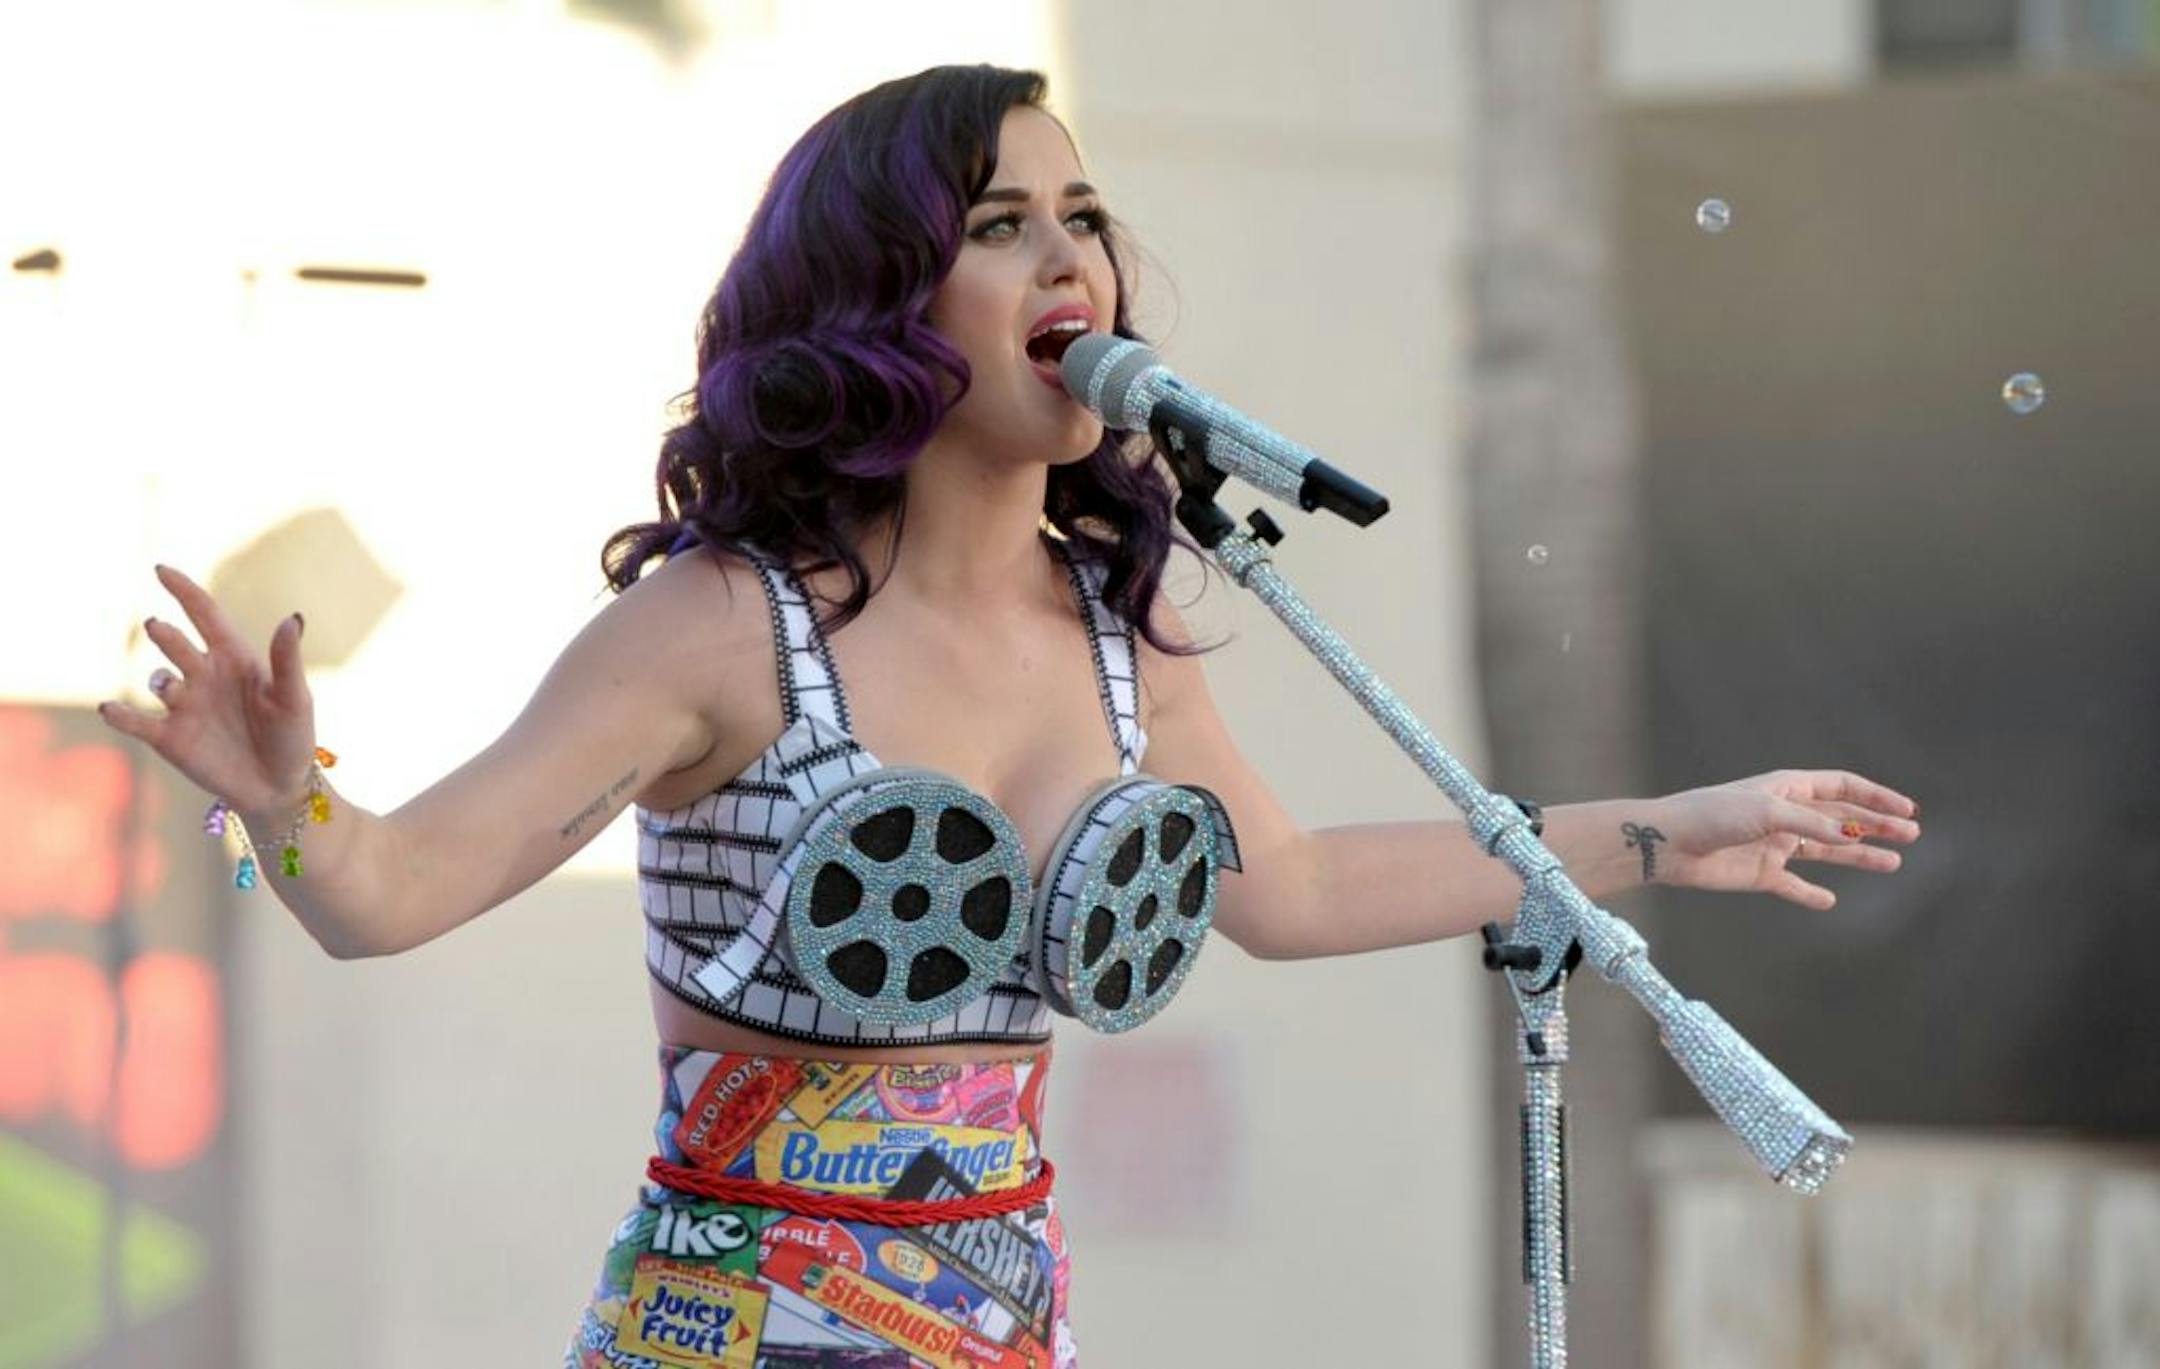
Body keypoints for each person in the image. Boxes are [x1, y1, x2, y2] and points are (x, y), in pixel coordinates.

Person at [97, 63, 1920, 1369]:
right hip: (734, 1336)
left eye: (1084, 218)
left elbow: (1283, 888)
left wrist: (1665, 830)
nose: (1071, 262)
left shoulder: (1126, 628)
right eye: (999, 225)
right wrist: (289, 801)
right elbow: (391, 893)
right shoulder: (725, 622)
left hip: (1009, 1323)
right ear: (885, 300)